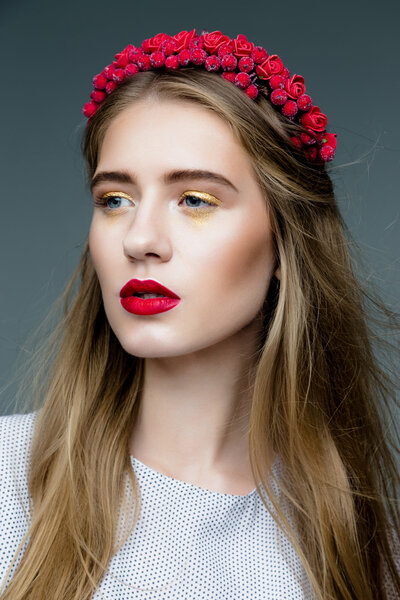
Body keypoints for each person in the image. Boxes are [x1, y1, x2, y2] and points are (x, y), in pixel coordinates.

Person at [0, 28, 399, 600]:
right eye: (115, 199)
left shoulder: (366, 551)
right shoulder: (7, 481)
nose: (140, 239)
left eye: (195, 200)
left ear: (287, 242)